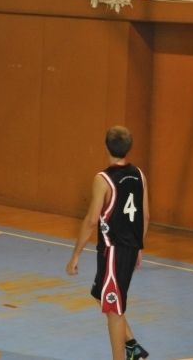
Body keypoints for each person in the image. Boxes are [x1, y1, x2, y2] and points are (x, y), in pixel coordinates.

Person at [65, 126, 150, 360]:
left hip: (114, 251)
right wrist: (139, 247)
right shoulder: (139, 175)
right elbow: (145, 216)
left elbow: (92, 220)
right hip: (129, 248)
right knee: (100, 294)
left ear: (106, 147)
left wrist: (75, 255)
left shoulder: (103, 179)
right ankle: (132, 346)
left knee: (113, 309)